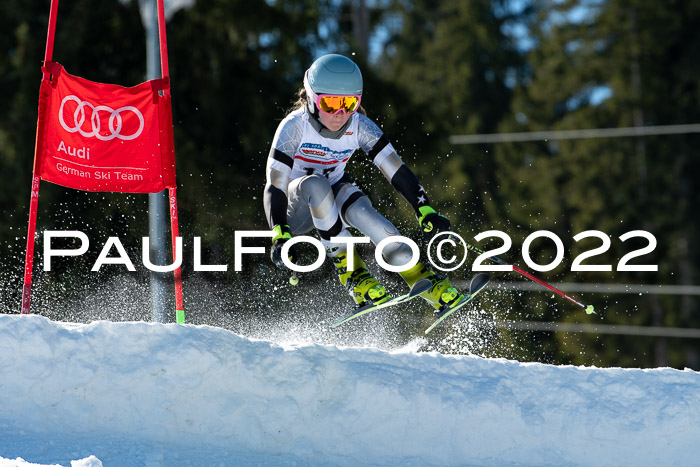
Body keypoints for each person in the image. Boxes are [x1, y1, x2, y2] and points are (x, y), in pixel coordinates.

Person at [263, 53, 463, 312]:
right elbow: (275, 185)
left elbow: (397, 171)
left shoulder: (359, 126)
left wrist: (424, 209)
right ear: (312, 100)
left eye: (349, 103)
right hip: (295, 208)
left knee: (368, 217)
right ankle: (353, 274)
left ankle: (426, 282)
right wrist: (279, 233)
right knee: (315, 184)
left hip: (332, 193)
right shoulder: (294, 127)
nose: (340, 113)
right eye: (331, 103)